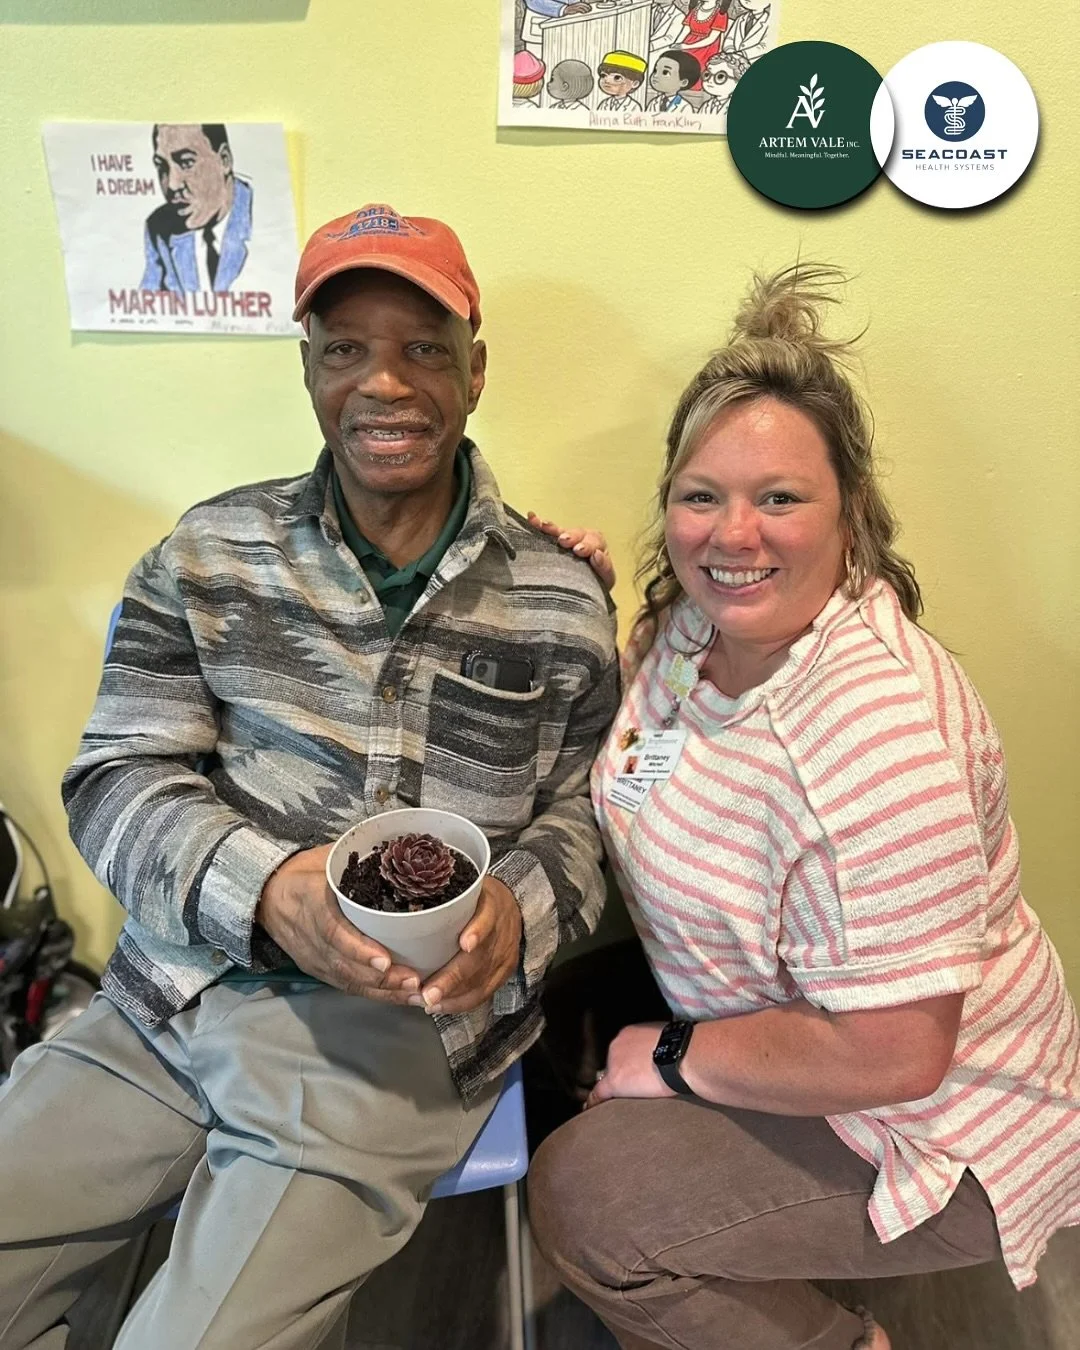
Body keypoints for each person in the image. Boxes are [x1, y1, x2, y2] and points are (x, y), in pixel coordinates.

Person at [0, 202, 620, 1350]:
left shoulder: (560, 596)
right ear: (308, 370)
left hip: (401, 1039)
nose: (384, 382)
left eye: (423, 348)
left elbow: (596, 815)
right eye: (347, 348)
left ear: (475, 372)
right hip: (167, 998)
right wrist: (268, 888)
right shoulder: (205, 555)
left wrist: (515, 913)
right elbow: (116, 775)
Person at [527, 264, 1080, 1350]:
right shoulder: (699, 629)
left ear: (851, 510)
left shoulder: (878, 737)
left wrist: (672, 1061)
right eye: (701, 497)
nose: (734, 535)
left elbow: (898, 1054)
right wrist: (566, 596)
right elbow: (652, 722)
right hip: (764, 1014)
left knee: (587, 1201)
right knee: (540, 1015)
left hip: (930, 1117)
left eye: (780, 498)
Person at [140, 123, 252, 294]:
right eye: (162, 167)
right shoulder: (159, 227)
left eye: (186, 163)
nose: (172, 184)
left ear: (224, 160)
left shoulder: (260, 214)